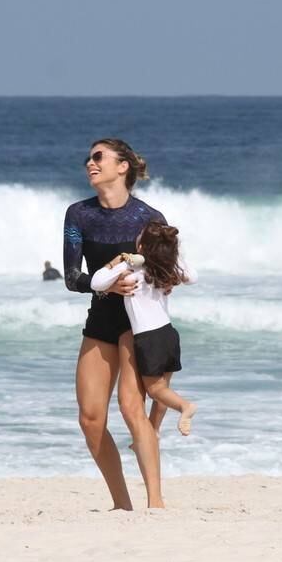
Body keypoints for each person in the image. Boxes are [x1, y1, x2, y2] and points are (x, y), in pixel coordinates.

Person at [64, 138, 167, 510]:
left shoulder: (150, 218)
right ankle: (122, 506)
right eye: (88, 158)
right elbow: (72, 276)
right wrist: (106, 281)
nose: (90, 163)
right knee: (91, 420)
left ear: (122, 166)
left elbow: (167, 274)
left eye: (98, 157)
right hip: (102, 318)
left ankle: (156, 504)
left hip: (140, 322)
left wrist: (150, 279)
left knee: (131, 408)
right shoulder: (79, 215)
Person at [90, 222, 197, 436]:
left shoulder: (131, 269)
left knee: (156, 391)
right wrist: (174, 256)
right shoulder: (167, 268)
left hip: (149, 338)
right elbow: (193, 277)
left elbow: (96, 282)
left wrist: (117, 261)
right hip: (169, 334)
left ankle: (185, 406)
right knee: (162, 393)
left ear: (141, 249)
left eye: (139, 236)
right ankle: (154, 431)